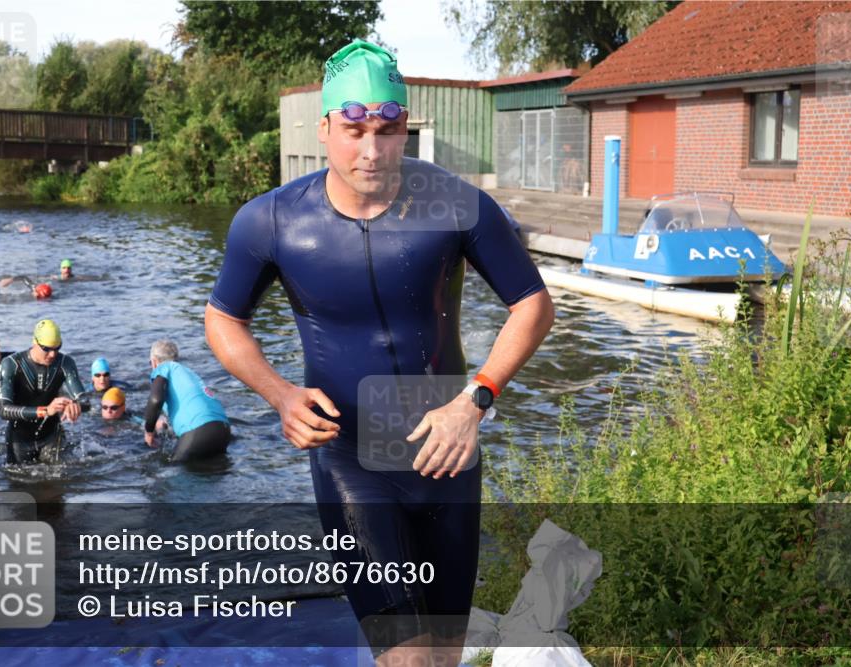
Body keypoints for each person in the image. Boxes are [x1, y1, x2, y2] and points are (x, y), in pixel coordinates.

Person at [203, 39, 554, 664]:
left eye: (389, 131)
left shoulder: (457, 204)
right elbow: (224, 318)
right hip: (350, 457)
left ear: (405, 127)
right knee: (405, 655)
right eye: (355, 130)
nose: (372, 150)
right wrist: (279, 393)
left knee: (446, 652)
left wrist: (476, 400)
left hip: (446, 447)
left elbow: (532, 304)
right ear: (326, 127)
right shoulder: (273, 221)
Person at [0, 319, 86, 464]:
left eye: (57, 348)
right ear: (34, 342)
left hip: (52, 437)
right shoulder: (12, 364)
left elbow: (86, 400)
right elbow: (3, 409)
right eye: (46, 349)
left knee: (59, 483)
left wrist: (75, 404)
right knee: (19, 483)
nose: (52, 354)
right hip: (19, 440)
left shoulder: (65, 363)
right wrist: (45, 411)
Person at [143, 340, 230, 462]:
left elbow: (156, 400)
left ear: (154, 362)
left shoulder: (163, 368)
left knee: (174, 472)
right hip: (223, 430)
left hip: (199, 431)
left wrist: (149, 432)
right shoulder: (188, 372)